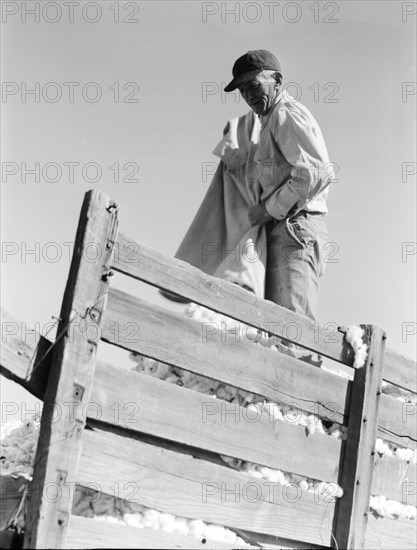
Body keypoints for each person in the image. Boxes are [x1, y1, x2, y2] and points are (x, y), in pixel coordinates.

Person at [224, 50, 332, 321]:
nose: (248, 95)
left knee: (293, 331)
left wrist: (268, 209)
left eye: (254, 85)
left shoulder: (285, 113)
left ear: (278, 80)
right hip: (284, 229)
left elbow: (315, 173)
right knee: (276, 330)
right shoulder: (268, 121)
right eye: (242, 89)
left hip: (295, 227)